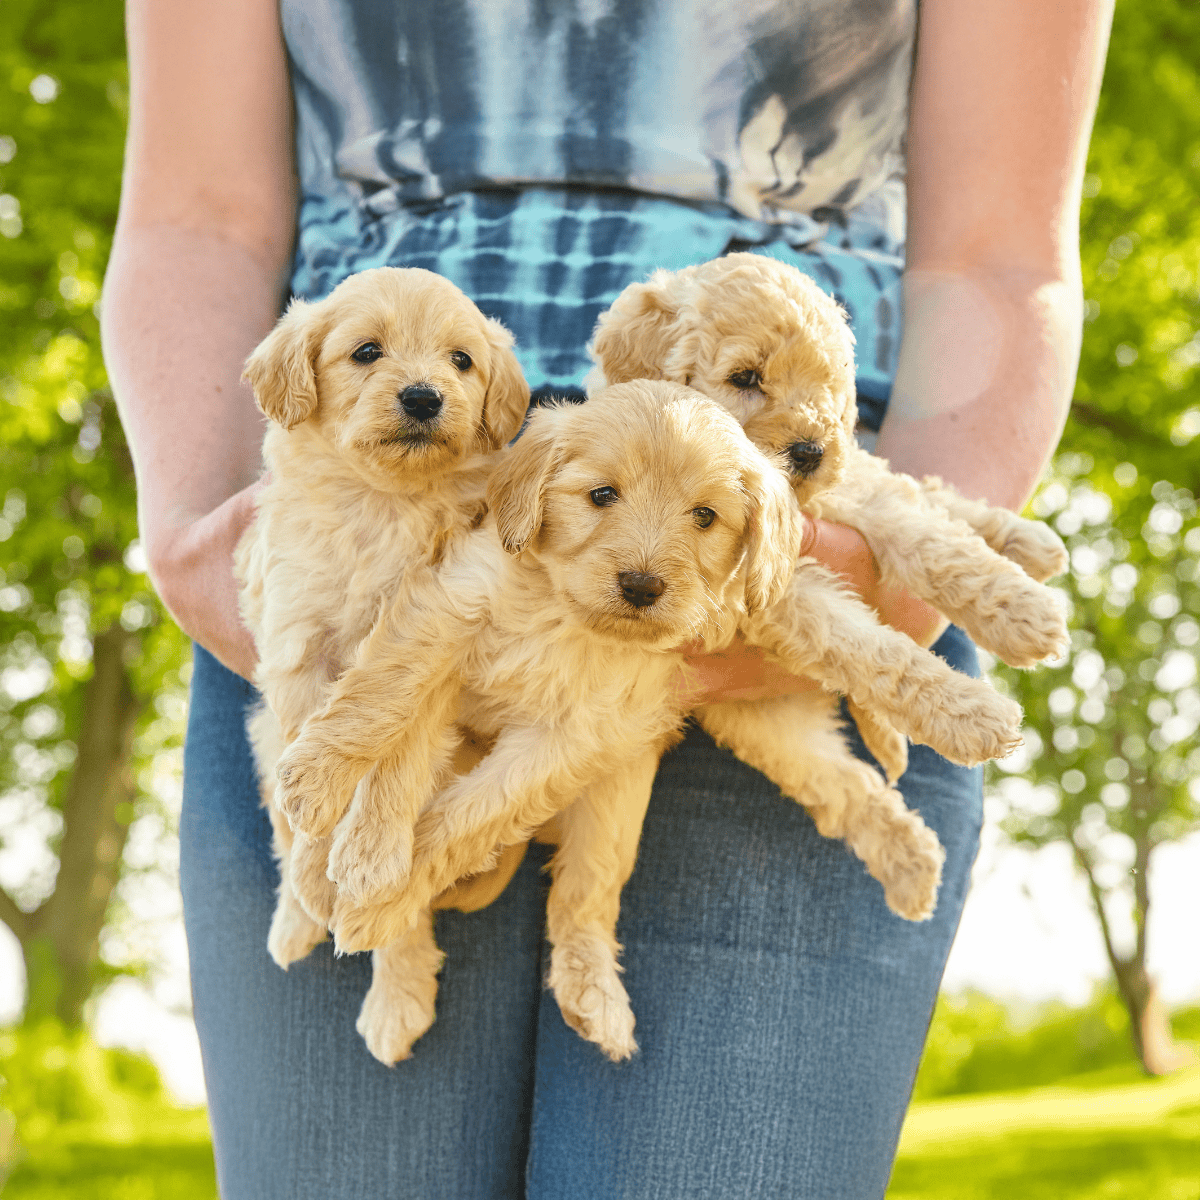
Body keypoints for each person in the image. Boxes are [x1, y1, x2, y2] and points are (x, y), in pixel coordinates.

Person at [102, 2, 1112, 1197]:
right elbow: (197, 212)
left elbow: (998, 251)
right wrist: (188, 529)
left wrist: (889, 581)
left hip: (772, 587)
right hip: (357, 589)